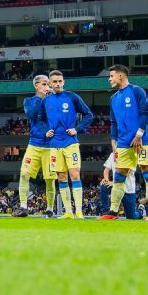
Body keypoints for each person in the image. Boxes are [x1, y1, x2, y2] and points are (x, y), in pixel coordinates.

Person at [102, 65, 148, 221]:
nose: (109, 79)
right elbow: (113, 123)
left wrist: (139, 134)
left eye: (111, 76)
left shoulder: (136, 91)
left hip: (141, 140)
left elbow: (146, 112)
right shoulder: (113, 98)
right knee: (118, 176)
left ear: (120, 77)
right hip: (123, 143)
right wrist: (113, 142)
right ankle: (113, 211)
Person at [43, 70, 93, 219]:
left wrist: (77, 129)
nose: (58, 84)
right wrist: (46, 131)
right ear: (50, 84)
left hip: (70, 143)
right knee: (61, 177)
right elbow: (38, 118)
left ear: (63, 82)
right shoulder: (46, 101)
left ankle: (79, 211)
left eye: (60, 81)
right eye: (55, 82)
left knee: (74, 175)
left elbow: (89, 115)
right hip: (54, 144)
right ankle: (68, 212)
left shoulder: (72, 97)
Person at [14, 75, 57, 218]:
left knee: (50, 179)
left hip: (50, 145)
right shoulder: (30, 101)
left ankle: (50, 209)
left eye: (48, 84)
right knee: (24, 174)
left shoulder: (54, 100)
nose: (47, 87)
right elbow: (32, 114)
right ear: (36, 86)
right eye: (44, 84)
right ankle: (23, 207)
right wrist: (42, 99)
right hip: (34, 144)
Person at [98, 149, 138, 219]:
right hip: (116, 186)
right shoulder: (112, 154)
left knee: (131, 217)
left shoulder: (131, 153)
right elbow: (106, 169)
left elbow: (127, 172)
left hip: (128, 189)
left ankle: (141, 211)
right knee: (104, 185)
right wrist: (106, 180)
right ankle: (107, 213)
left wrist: (114, 183)